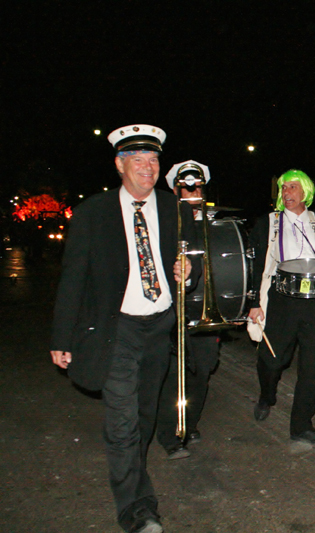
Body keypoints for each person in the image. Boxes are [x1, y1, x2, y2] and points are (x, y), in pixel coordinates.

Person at [50, 124, 198, 533]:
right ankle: (137, 509)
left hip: (159, 326)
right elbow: (73, 278)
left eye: (153, 160)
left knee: (145, 413)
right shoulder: (92, 213)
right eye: (138, 160)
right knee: (122, 422)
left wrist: (187, 272)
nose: (148, 168)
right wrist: (62, 338)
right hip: (117, 329)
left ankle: (136, 478)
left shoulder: (174, 209)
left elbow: (189, 265)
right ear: (120, 165)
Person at [247, 170, 315, 445]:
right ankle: (267, 394)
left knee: (312, 367)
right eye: (284, 188)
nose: (287, 192)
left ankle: (302, 425)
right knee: (273, 359)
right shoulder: (268, 223)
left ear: (305, 192)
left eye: (293, 187)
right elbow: (256, 265)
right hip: (282, 299)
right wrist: (253, 303)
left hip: (314, 301)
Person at [155, 161, 221, 460]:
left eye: (197, 186)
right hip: (174, 307)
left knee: (202, 370)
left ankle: (190, 423)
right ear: (175, 189)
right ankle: (169, 434)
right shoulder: (164, 218)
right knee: (172, 373)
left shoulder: (215, 221)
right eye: (186, 186)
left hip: (205, 306)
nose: (193, 190)